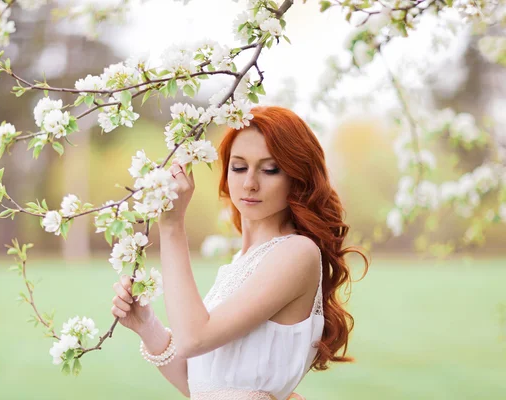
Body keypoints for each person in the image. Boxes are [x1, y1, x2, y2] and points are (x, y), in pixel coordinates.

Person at [111, 106, 370, 399]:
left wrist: (172, 227)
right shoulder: (241, 262)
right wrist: (147, 325)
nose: (250, 183)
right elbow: (202, 386)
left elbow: (194, 339)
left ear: (297, 177)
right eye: (239, 166)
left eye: (270, 169)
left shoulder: (297, 253)